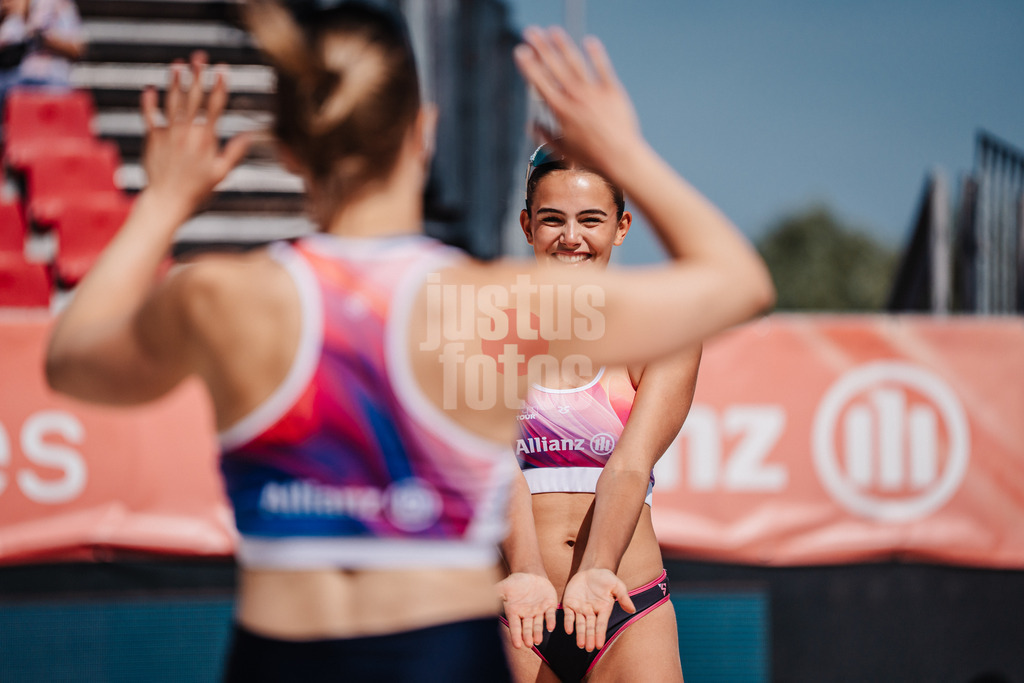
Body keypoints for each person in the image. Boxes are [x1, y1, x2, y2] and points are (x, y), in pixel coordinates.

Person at [44, 0, 774, 679]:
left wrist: (164, 200)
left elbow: (71, 361)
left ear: (290, 151)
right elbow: (738, 281)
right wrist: (622, 152)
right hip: (439, 642)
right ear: (423, 134)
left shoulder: (224, 296)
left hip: (283, 648)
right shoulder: (487, 304)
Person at [497, 142, 699, 682]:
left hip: (625, 605)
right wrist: (527, 571)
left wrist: (596, 570)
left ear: (621, 226)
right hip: (520, 606)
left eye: (590, 220)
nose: (571, 237)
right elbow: (493, 468)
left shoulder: (662, 331)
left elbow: (631, 465)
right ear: (526, 225)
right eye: (551, 220)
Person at [0, 0, 84, 111]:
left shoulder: (57, 4)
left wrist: (30, 25)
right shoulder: (7, 9)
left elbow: (76, 50)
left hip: (50, 77)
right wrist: (4, 18)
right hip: (10, 78)